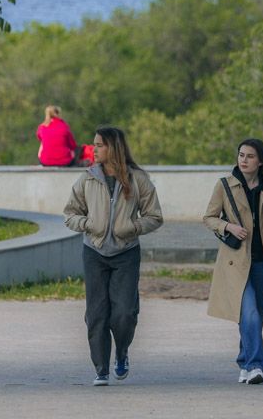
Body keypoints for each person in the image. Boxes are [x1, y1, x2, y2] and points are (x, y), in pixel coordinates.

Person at [63, 126, 164, 386]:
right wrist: (87, 224)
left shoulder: (137, 179)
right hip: (94, 251)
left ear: (113, 148)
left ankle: (121, 353)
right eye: (94, 144)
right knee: (96, 313)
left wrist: (132, 227)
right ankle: (101, 369)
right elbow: (70, 213)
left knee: (124, 314)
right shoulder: (87, 178)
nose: (93, 149)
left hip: (126, 252)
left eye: (99, 145)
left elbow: (154, 216)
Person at [202, 138, 263, 385]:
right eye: (241, 155)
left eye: (249, 156)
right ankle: (256, 365)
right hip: (236, 264)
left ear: (260, 161)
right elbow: (209, 217)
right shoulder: (224, 186)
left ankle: (245, 360)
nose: (243, 160)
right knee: (249, 314)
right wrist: (229, 226)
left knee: (256, 314)